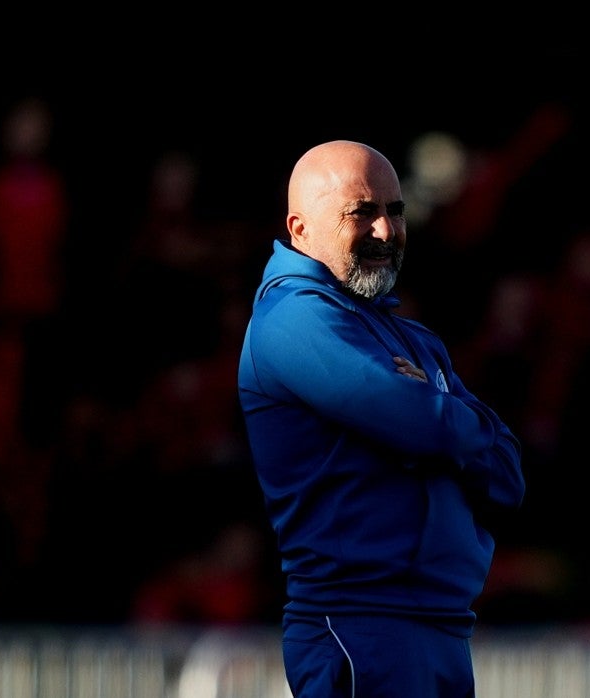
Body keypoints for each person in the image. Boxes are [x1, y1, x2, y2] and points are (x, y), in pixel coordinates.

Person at [237, 139, 525, 697]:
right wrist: (452, 419)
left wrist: (440, 415)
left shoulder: (411, 337)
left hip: (438, 628)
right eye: (362, 212)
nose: (386, 231)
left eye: (395, 210)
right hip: (360, 629)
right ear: (299, 228)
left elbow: (508, 476)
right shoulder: (290, 319)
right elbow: (427, 427)